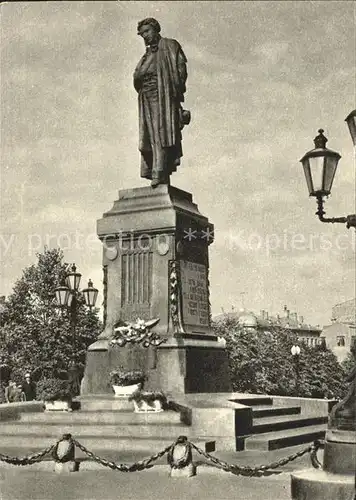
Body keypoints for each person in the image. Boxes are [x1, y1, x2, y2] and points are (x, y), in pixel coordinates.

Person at [133, 18, 190, 187]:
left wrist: (174, 92)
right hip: (146, 97)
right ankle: (154, 170)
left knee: (161, 135)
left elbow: (181, 69)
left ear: (156, 30)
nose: (145, 36)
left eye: (147, 31)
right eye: (142, 33)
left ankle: (159, 171)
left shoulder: (170, 46)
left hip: (163, 95)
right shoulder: (146, 55)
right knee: (149, 137)